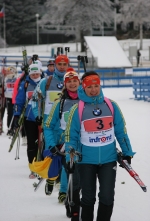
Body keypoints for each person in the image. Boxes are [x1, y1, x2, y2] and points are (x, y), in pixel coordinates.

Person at [65, 71, 135, 221]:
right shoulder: (77, 109)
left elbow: (120, 131)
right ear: (83, 87)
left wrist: (127, 152)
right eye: (89, 86)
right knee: (88, 198)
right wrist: (69, 157)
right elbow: (71, 137)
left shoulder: (111, 105)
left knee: (107, 196)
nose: (93, 89)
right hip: (86, 161)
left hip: (108, 159)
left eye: (96, 85)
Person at [44, 70, 80, 221]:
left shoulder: (85, 101)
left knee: (83, 177)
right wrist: (52, 144)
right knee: (69, 172)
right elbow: (48, 126)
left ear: (79, 82)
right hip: (66, 144)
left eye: (75, 80)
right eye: (69, 81)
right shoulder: (60, 103)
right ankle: (66, 196)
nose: (72, 83)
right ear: (65, 84)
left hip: (85, 144)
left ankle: (78, 201)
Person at [31, 54, 70, 193]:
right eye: (59, 64)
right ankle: (50, 178)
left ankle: (62, 183)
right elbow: (35, 100)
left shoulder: (71, 81)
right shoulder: (45, 82)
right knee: (51, 152)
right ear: (55, 65)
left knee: (66, 153)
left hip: (66, 124)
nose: (62, 67)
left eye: (64, 64)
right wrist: (38, 116)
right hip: (50, 124)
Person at [13, 63, 43, 178]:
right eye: (32, 73)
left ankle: (43, 166)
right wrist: (16, 115)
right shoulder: (25, 84)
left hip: (43, 117)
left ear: (40, 72)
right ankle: (33, 167)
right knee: (32, 143)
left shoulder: (45, 83)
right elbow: (19, 101)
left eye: (37, 73)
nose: (35, 75)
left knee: (44, 144)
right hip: (29, 118)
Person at [4, 66, 17, 136]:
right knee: (9, 113)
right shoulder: (6, 79)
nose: (8, 72)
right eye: (7, 71)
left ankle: (14, 127)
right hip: (8, 98)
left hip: (14, 98)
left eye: (9, 71)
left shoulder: (16, 79)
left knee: (15, 113)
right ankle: (9, 127)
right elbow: (5, 88)